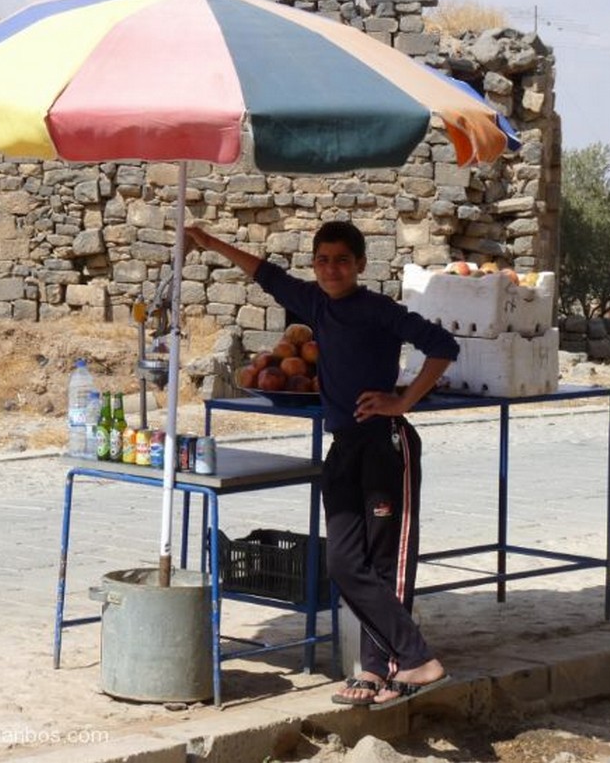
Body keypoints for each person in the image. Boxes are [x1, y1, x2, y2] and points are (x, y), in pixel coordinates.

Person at [185, 221, 458, 708]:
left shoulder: (379, 310)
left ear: (360, 265)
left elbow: (443, 347)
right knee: (344, 563)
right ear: (314, 265)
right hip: (344, 448)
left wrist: (403, 401)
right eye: (323, 260)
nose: (332, 268)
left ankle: (399, 663)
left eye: (342, 260)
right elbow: (264, 273)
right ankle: (389, 662)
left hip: (384, 446)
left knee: (382, 564)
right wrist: (208, 241)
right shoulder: (313, 303)